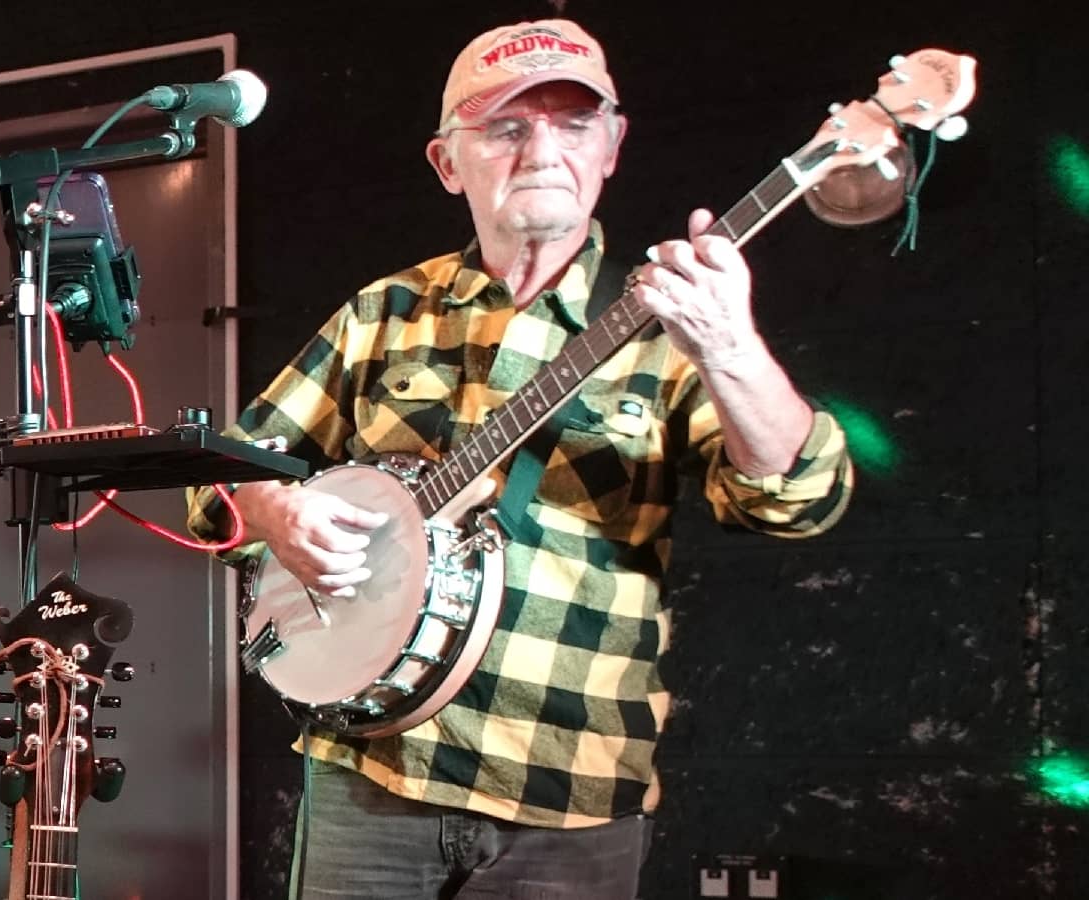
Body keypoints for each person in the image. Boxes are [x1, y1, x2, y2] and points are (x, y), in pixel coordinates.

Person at [187, 18, 853, 899]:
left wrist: (730, 346)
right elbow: (218, 477)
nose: (543, 149)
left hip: (570, 790)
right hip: (371, 773)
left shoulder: (672, 320)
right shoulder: (383, 313)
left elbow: (797, 501)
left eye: (573, 125)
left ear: (612, 147)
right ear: (447, 162)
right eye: (506, 127)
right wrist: (277, 510)